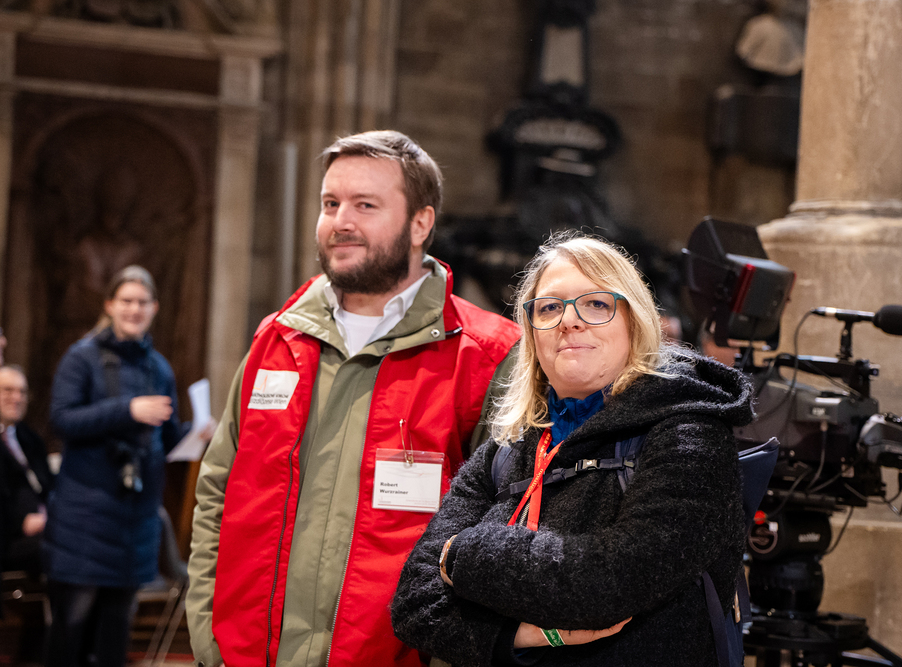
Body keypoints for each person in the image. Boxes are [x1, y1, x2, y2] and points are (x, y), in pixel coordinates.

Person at [186, 130, 520, 667]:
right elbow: (218, 490)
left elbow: (501, 531)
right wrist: (208, 631)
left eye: (365, 205)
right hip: (247, 653)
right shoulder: (278, 339)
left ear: (420, 223)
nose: (341, 221)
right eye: (330, 203)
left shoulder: (486, 356)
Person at [391, 233, 755, 666]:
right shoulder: (505, 449)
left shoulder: (689, 432)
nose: (569, 321)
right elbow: (413, 606)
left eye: (596, 304)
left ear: (634, 321)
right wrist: (521, 636)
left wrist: (463, 553)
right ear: (532, 333)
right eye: (549, 308)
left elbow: (611, 583)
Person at [46, 265, 211, 667]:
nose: (134, 309)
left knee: (116, 630)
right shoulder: (81, 357)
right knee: (72, 627)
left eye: (142, 302)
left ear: (154, 308)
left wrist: (198, 433)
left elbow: (166, 438)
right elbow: (61, 420)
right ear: (109, 305)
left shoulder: (159, 368)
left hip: (135, 518)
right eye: (126, 301)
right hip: (85, 515)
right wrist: (127, 410)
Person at [1, 364, 54, 576]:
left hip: (46, 524)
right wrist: (20, 522)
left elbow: (49, 486)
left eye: (22, 392)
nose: (17, 398)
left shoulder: (30, 438)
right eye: (8, 390)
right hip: (10, 536)